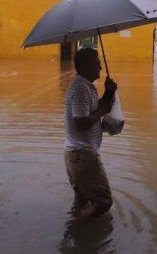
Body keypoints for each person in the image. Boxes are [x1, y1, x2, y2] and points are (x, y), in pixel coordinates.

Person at [64, 47, 117, 220]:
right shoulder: (81, 89)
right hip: (83, 156)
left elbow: (93, 110)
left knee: (82, 201)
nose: (101, 68)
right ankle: (79, 229)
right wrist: (102, 111)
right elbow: (80, 123)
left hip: (78, 155)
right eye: (97, 63)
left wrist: (108, 93)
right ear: (86, 66)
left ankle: (76, 234)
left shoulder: (86, 87)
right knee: (104, 202)